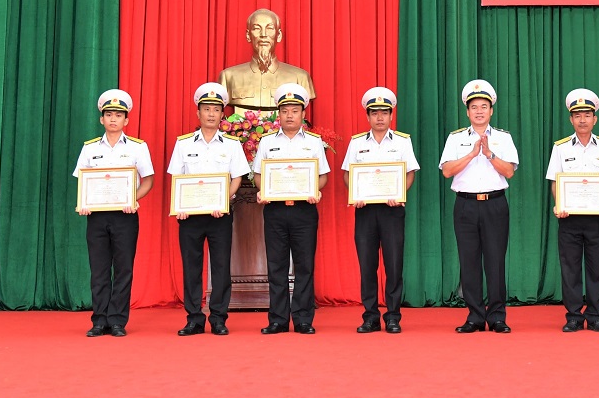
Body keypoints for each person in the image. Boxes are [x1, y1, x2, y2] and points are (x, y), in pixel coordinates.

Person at [167, 83, 250, 336]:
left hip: (219, 215)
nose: (211, 114)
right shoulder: (183, 144)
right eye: (206, 109)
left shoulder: (231, 144)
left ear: (222, 114)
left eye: (216, 109)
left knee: (221, 267)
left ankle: (218, 318)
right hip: (190, 216)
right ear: (198, 113)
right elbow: (177, 178)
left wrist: (225, 199)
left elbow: (238, 177)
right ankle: (194, 318)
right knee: (191, 267)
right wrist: (179, 206)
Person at [71, 89, 155, 337]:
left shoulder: (138, 147)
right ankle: (99, 320)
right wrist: (84, 201)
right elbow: (82, 180)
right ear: (101, 119)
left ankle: (117, 320)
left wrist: (133, 198)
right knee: (98, 270)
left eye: (118, 115)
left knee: (123, 269)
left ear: (126, 120)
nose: (113, 119)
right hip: (96, 216)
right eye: (109, 115)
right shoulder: (89, 149)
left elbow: (148, 181)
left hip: (125, 216)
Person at [440, 79, 519, 333]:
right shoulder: (455, 139)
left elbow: (509, 171)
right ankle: (474, 316)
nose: (479, 111)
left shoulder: (503, 138)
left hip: (495, 204)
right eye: (474, 107)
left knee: (495, 262)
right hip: (465, 205)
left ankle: (497, 317)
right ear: (467, 112)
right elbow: (447, 171)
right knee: (469, 261)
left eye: (484, 106)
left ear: (491, 110)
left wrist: (489, 154)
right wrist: (472, 154)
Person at [341, 87, 420, 334]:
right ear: (367, 116)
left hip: (392, 211)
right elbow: (347, 174)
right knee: (367, 266)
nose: (379, 118)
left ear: (391, 115)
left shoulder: (402, 141)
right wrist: (355, 194)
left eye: (384, 113)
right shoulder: (356, 143)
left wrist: (400, 194)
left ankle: (393, 316)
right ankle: (370, 317)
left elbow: (410, 173)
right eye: (374, 113)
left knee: (394, 265)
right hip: (365, 211)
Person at [253, 82, 330, 334]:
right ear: (278, 113)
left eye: (295, 111)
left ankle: (303, 319)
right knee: (276, 265)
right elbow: (258, 175)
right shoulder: (267, 142)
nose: (289, 115)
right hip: (275, 210)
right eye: (285, 111)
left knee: (304, 265)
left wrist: (315, 190)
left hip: (304, 210)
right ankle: (277, 319)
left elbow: (322, 176)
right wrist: (263, 190)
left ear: (303, 114)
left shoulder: (314, 142)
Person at [546, 88, 599, 333]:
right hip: (569, 219)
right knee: (570, 270)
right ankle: (573, 317)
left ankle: (596, 316)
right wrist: (560, 205)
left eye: (587, 115)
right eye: (577, 115)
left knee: (597, 269)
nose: (582, 120)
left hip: (598, 219)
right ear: (571, 119)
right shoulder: (561, 148)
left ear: (595, 119)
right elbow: (555, 182)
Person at [218, 8, 316, 114]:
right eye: (257, 28)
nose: (263, 34)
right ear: (248, 36)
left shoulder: (300, 78)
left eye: (270, 28)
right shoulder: (228, 76)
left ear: (279, 35)